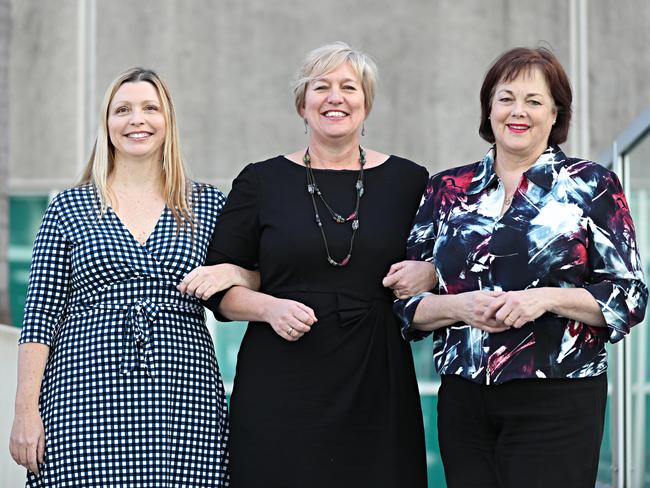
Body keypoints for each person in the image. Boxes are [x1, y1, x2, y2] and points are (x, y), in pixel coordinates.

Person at [393, 46, 648, 488]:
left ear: (555, 115)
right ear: (489, 108)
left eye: (534, 101)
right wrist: (460, 307)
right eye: (506, 97)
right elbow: (406, 304)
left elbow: (629, 296)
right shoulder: (446, 189)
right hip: (463, 397)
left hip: (558, 394)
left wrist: (544, 299)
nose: (518, 111)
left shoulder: (592, 185)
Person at [183, 42, 428, 487]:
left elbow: (444, 264)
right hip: (281, 379)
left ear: (366, 103)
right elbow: (220, 290)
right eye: (322, 87)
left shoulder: (410, 181)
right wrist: (269, 308)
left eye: (348, 87)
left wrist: (427, 272)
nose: (335, 97)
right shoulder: (260, 180)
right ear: (303, 103)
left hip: (376, 377)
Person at [9, 67, 258, 487]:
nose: (136, 120)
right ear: (107, 124)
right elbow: (39, 316)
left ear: (168, 122)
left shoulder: (209, 204)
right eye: (122, 109)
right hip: (82, 389)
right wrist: (25, 411)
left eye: (149, 108)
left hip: (183, 389)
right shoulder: (69, 207)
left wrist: (233, 271)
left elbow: (259, 278)